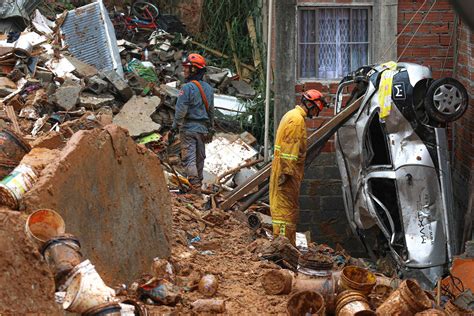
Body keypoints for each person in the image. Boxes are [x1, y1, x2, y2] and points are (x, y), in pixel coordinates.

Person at [269, 89, 326, 246]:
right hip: (286, 175)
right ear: (309, 104)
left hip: (284, 173)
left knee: (284, 212)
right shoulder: (296, 121)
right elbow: (289, 151)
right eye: (315, 109)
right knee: (285, 214)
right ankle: (282, 248)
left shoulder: (292, 116)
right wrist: (286, 174)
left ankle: (283, 246)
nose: (315, 113)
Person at [170, 53, 215, 194]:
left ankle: (195, 189)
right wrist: (211, 128)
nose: (184, 70)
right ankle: (198, 185)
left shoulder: (187, 88)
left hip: (188, 129)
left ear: (194, 70)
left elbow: (180, 111)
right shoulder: (209, 89)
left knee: (189, 158)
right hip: (202, 130)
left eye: (187, 67)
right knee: (200, 158)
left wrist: (173, 129)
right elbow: (211, 111)